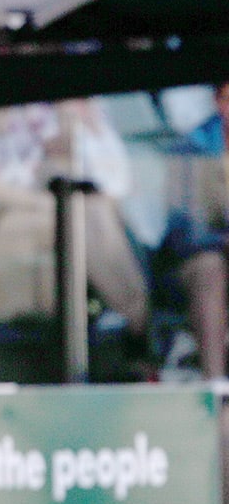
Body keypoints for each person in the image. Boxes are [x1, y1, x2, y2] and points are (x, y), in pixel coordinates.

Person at [0, 103, 157, 379]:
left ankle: (131, 315)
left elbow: (65, 161)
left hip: (39, 207)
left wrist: (70, 118)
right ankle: (135, 324)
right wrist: (41, 203)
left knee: (94, 210)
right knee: (69, 219)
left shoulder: (33, 108)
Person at [55, 97, 228, 381]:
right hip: (188, 261)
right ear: (220, 101)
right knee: (209, 268)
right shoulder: (195, 147)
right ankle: (218, 388)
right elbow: (186, 231)